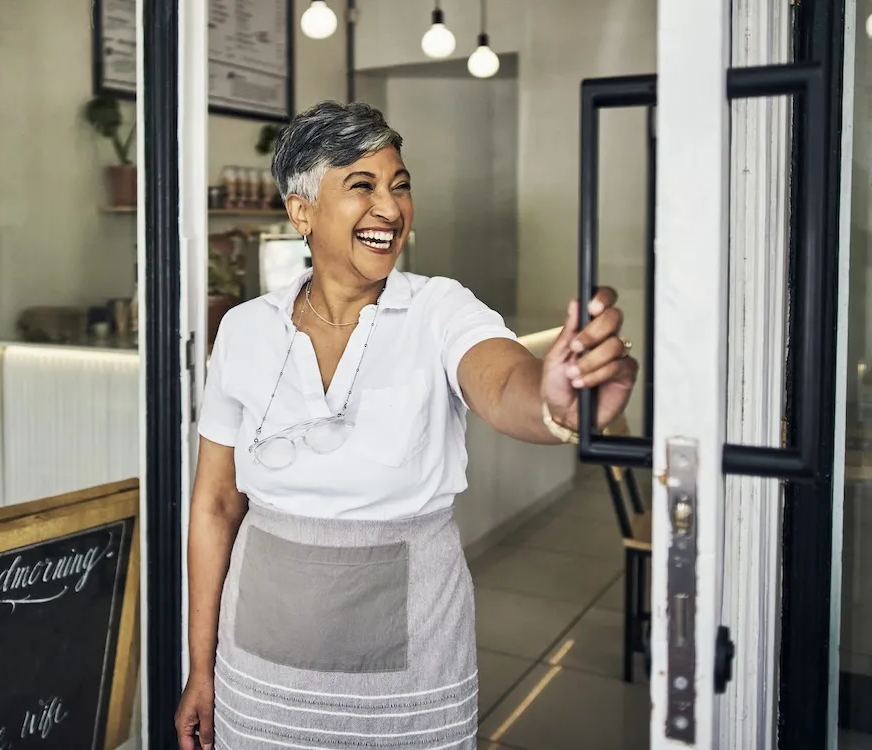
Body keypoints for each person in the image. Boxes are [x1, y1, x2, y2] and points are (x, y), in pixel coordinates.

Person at [175, 101, 637, 750]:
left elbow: (504, 382)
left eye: (400, 185)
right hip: (260, 657)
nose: (390, 209)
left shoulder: (438, 309)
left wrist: (557, 400)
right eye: (362, 186)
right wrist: (201, 667)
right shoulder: (245, 330)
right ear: (301, 210)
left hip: (408, 664)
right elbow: (216, 503)